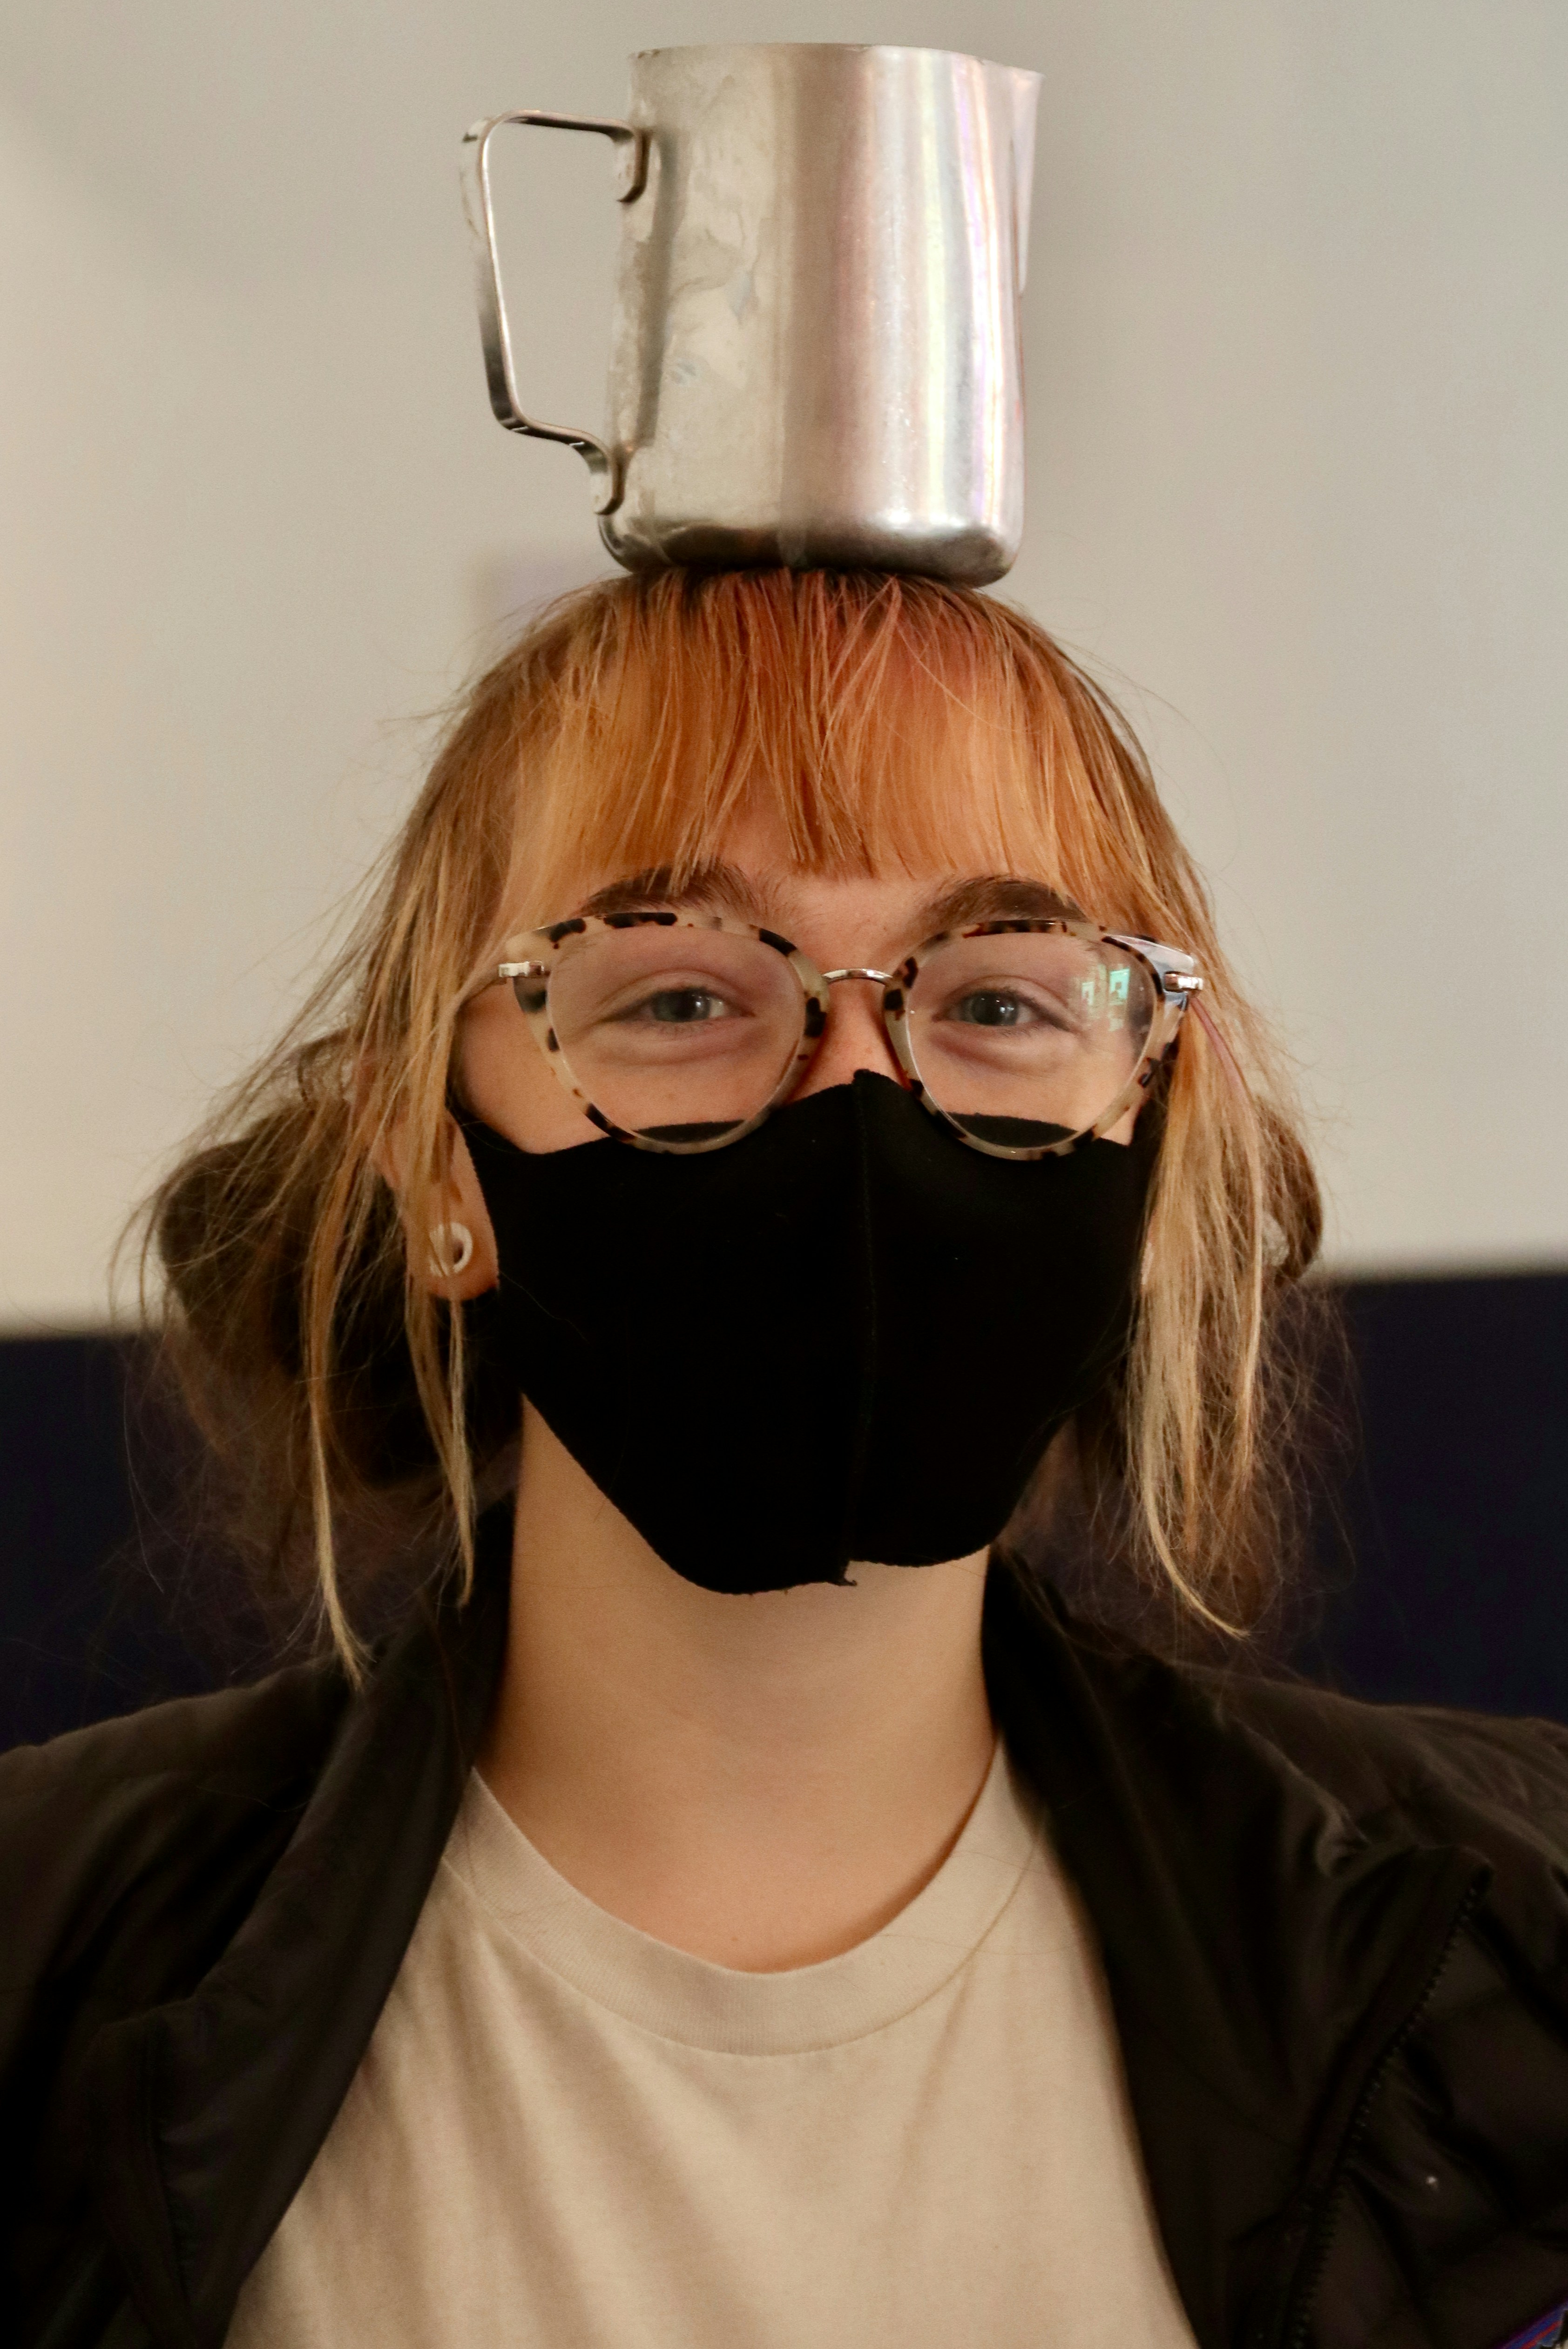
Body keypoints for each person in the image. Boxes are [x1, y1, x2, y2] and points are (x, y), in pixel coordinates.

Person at [6, 569, 1568, 2349]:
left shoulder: (1527, 1959)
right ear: (434, 1161)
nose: (857, 1105)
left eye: (996, 1001)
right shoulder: (35, 1974)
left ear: (1154, 1134)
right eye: (678, 997)